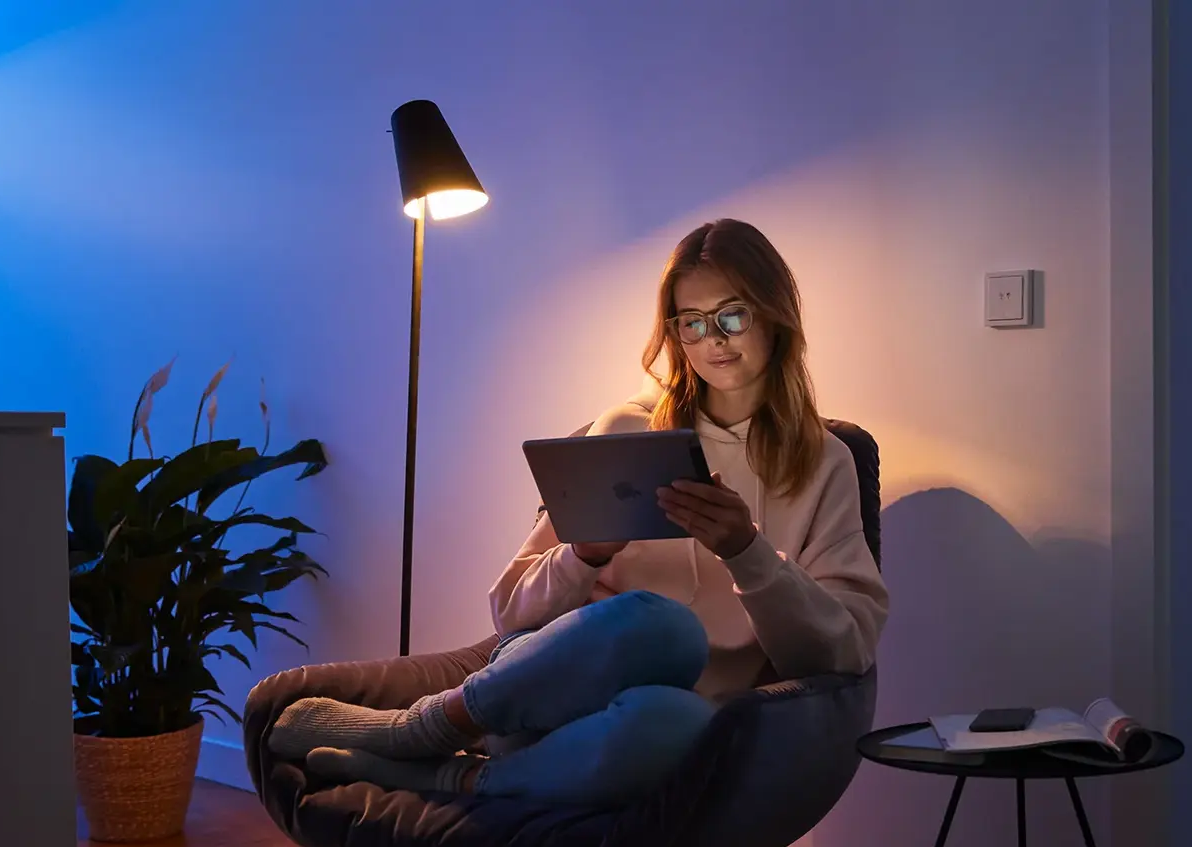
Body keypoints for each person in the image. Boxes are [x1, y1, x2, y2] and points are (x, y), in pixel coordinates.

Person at [268, 218, 888, 805]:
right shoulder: (626, 431)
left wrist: (748, 554)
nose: (713, 340)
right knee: (659, 625)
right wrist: (584, 554)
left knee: (671, 717)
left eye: (732, 315)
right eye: (691, 323)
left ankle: (454, 779)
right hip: (546, 696)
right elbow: (511, 611)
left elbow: (843, 652)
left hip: (658, 727)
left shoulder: (824, 462)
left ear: (775, 319)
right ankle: (418, 730)